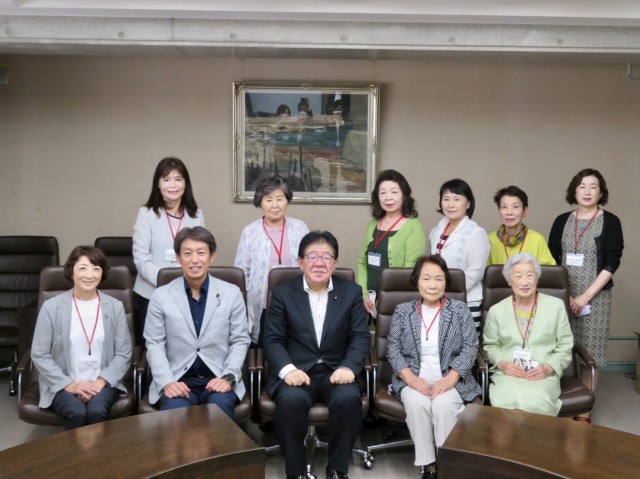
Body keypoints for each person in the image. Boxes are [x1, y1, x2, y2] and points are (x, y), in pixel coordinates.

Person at [264, 231, 370, 479]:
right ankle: (297, 472)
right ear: (300, 262)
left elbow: (360, 336)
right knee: (290, 402)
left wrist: (348, 367)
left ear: (336, 263)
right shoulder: (283, 293)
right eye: (312, 256)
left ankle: (337, 470)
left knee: (348, 400)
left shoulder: (352, 292)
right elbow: (272, 339)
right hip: (297, 371)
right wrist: (288, 370)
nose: (319, 263)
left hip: (337, 371)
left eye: (326, 257)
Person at [387, 255, 481, 479]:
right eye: (426, 278)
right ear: (417, 281)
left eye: (439, 279)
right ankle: (428, 466)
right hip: (412, 378)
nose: (432, 285)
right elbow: (393, 348)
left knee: (443, 406)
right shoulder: (403, 311)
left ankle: (446, 465)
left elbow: (471, 347)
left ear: (446, 282)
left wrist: (450, 379)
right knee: (417, 404)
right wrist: (411, 379)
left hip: (451, 379)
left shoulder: (460, 310)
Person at [144, 227, 250, 419]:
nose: (194, 260)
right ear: (178, 258)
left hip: (218, 377)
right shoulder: (161, 296)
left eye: (201, 253)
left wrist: (228, 377)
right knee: (175, 419)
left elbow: (240, 340)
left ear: (212, 256)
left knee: (219, 417)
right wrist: (167, 382)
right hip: (178, 379)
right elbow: (154, 344)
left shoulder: (231, 293)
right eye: (187, 253)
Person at [31, 246, 132, 430]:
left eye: (96, 269)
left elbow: (124, 353)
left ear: (102, 273)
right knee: (76, 412)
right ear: (71, 271)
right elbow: (40, 353)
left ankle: (98, 451)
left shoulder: (115, 307)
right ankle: (73, 451)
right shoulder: (51, 307)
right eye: (83, 268)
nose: (89, 275)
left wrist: (100, 382)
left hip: (103, 382)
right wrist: (69, 384)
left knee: (96, 410)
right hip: (63, 382)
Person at [548, 168, 623, 392]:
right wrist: (567, 295)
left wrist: (585, 297)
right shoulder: (562, 220)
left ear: (601, 193)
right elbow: (551, 259)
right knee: (558, 348)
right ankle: (556, 398)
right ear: (574, 191)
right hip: (562, 295)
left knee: (590, 353)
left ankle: (585, 404)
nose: (587, 191)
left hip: (596, 297)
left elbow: (612, 261)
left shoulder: (611, 221)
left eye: (593, 187)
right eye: (582, 186)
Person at [483, 253, 573, 416]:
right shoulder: (496, 311)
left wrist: (547, 368)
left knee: (535, 403)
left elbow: (565, 346)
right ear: (509, 281)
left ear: (537, 278)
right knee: (505, 402)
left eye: (529, 275)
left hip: (543, 375)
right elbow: (490, 346)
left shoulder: (556, 306)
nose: (524, 282)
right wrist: (503, 365)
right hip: (508, 375)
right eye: (518, 276)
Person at [133, 157, 205, 343]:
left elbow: (201, 254)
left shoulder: (196, 215)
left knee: (184, 345)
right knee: (154, 346)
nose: (173, 185)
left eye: (178, 179)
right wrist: (166, 281)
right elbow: (141, 258)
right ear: (158, 183)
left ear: (185, 183)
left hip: (188, 292)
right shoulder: (146, 214)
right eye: (166, 179)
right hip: (151, 292)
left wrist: (184, 283)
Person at [234, 177, 309, 346]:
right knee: (264, 347)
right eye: (268, 200)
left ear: (287, 201)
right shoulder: (250, 232)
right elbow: (241, 272)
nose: (275, 205)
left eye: (280, 199)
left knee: (296, 346)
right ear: (260, 203)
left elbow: (309, 264)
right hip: (260, 304)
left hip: (296, 302)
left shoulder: (300, 228)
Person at [357, 169, 426, 315]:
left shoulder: (413, 226)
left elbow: (409, 270)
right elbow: (362, 262)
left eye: (394, 192)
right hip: (368, 298)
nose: (388, 197)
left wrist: (386, 297)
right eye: (383, 193)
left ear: (404, 195)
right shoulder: (372, 224)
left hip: (396, 299)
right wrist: (363, 295)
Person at [428, 179, 490, 332]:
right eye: (446, 199)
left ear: (468, 203)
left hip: (466, 302)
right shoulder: (436, 231)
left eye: (456, 199)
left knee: (464, 343)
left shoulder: (476, 233)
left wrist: (442, 290)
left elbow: (474, 274)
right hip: (435, 300)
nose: (450, 205)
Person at [487, 185, 555, 266]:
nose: (509, 212)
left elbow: (548, 271)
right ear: (499, 211)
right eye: (504, 207)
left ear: (525, 210)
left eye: (515, 207)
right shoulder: (489, 240)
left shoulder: (537, 239)